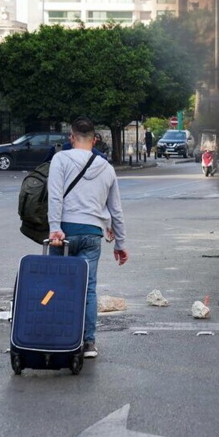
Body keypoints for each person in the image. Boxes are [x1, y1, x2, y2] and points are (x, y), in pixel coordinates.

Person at [47, 116, 128, 359]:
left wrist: (54, 227)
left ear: (72, 138)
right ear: (94, 140)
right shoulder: (107, 168)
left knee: (57, 284)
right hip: (93, 234)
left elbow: (55, 196)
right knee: (88, 288)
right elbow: (116, 210)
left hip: (64, 233)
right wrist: (120, 243)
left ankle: (57, 337)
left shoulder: (60, 159)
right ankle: (88, 342)